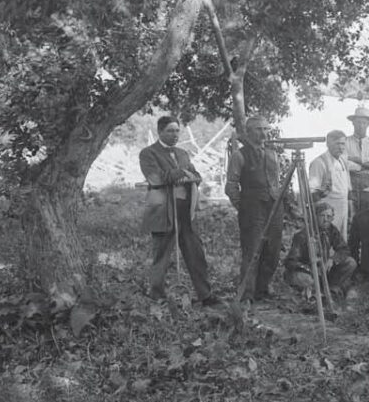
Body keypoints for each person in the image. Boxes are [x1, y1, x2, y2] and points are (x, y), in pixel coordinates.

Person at [139, 115, 218, 306]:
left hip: (185, 211)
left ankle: (205, 295)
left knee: (195, 253)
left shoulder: (183, 153)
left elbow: (196, 175)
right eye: (170, 131)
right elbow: (155, 179)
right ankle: (157, 297)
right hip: (163, 211)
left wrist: (190, 175)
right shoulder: (148, 153)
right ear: (160, 132)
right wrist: (181, 174)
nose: (174, 135)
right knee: (162, 256)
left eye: (177, 131)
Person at [225, 115, 283, 302]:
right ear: (249, 132)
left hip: (273, 207)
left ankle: (263, 289)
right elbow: (231, 185)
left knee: (272, 250)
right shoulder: (239, 155)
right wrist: (242, 206)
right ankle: (247, 293)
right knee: (252, 250)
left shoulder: (273, 154)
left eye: (266, 129)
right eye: (258, 129)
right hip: (252, 208)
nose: (263, 133)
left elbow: (276, 182)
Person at [283, 201, 357, 298]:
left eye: (329, 217)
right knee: (306, 280)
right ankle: (315, 292)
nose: (326, 220)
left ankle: (331, 288)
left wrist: (333, 259)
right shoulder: (303, 235)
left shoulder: (331, 230)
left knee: (351, 263)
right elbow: (290, 261)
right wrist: (310, 269)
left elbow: (344, 249)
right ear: (315, 217)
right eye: (322, 216)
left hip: (324, 271)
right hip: (306, 272)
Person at [308, 129, 352, 240]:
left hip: (343, 208)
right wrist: (321, 215)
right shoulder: (319, 162)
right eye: (337, 143)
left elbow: (348, 189)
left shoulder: (343, 161)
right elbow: (312, 192)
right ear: (328, 144)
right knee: (327, 239)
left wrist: (350, 209)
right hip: (327, 210)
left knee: (341, 239)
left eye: (343, 144)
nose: (340, 147)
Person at [346, 106, 369, 216]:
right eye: (358, 122)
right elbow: (344, 162)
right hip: (350, 181)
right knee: (351, 212)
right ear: (353, 123)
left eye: (364, 122)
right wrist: (364, 167)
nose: (361, 125)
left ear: (368, 124)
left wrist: (357, 159)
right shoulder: (345, 141)